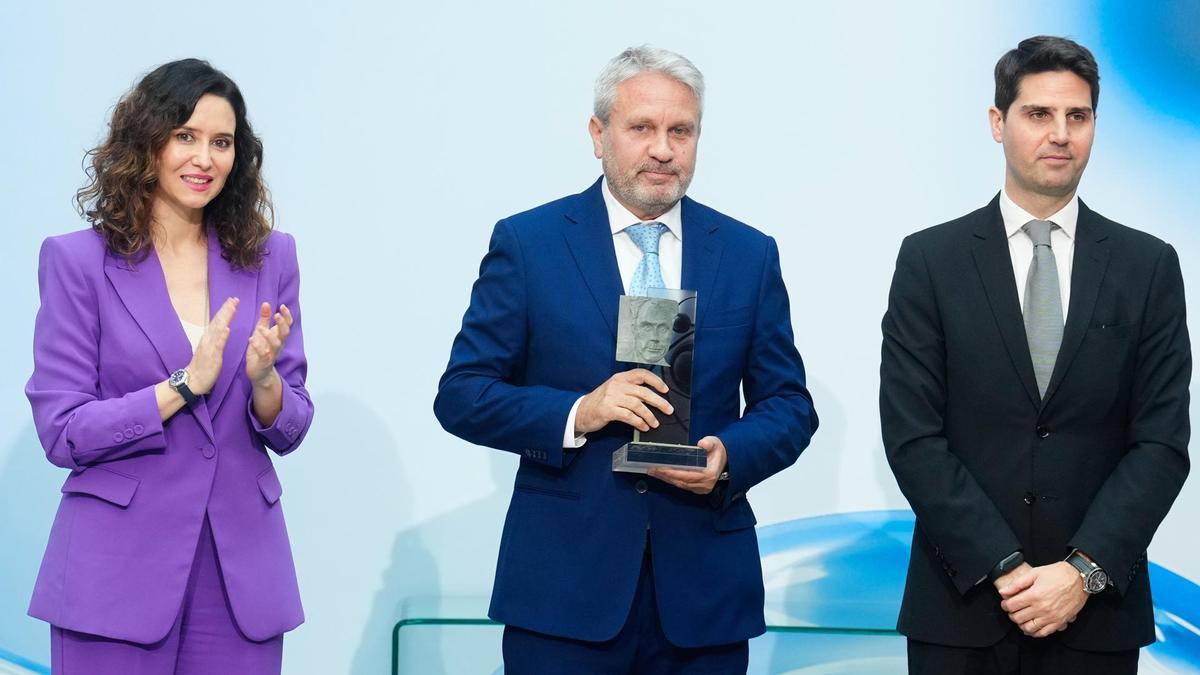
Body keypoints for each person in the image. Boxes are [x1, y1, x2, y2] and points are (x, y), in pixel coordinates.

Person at [435, 45, 817, 673]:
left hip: (703, 598)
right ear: (598, 134)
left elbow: (789, 406)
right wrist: (579, 412)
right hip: (563, 596)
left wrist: (730, 458)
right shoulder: (529, 244)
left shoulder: (748, 254)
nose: (663, 149)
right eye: (642, 128)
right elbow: (463, 394)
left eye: (681, 131)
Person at [880, 36, 1190, 674]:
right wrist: (1004, 567)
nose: (1060, 134)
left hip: (1096, 616)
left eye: (1077, 117)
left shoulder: (1148, 266)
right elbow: (913, 435)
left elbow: (1161, 443)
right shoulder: (930, 261)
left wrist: (1084, 573)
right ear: (999, 123)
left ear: (1095, 127)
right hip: (960, 610)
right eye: (1039, 114)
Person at [25, 58, 314, 675]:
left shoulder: (271, 256)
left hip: (240, 575)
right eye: (185, 135)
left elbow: (291, 424)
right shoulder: (77, 262)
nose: (203, 158)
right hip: (114, 576)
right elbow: (63, 430)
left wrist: (265, 382)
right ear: (146, 142)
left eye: (221, 142)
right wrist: (183, 386)